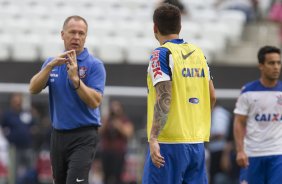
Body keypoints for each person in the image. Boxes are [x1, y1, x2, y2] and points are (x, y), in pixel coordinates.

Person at [142, 4, 216, 184]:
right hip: (196, 143)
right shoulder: (198, 54)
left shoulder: (161, 54)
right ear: (180, 26)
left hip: (168, 143)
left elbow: (164, 98)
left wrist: (153, 137)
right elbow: (212, 96)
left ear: (155, 28)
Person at [29, 15, 106, 184]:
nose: (76, 37)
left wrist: (76, 80)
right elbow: (33, 88)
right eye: (72, 32)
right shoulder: (52, 63)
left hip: (84, 135)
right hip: (57, 136)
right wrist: (49, 67)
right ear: (62, 34)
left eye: (81, 33)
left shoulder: (94, 65)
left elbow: (95, 101)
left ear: (86, 37)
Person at [233, 45, 282, 184]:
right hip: (253, 154)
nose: (276, 67)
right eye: (271, 63)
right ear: (261, 65)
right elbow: (239, 122)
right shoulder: (248, 91)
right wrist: (240, 150)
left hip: (278, 154)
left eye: (278, 63)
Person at [0, 93, 35, 184]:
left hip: (28, 146)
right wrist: (9, 137)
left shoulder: (25, 113)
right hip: (14, 147)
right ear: (11, 102)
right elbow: (3, 128)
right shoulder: (8, 114)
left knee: (30, 171)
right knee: (14, 172)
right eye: (15, 101)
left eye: (19, 101)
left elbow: (33, 125)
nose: (17, 103)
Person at [99, 100, 134, 184]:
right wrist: (107, 121)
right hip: (106, 152)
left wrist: (118, 125)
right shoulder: (106, 120)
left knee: (118, 176)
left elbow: (128, 133)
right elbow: (99, 131)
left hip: (119, 153)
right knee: (106, 176)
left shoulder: (125, 120)